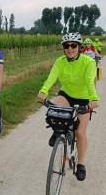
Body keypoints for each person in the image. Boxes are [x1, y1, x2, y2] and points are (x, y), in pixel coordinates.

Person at [37, 33, 99, 181]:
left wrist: (93, 99)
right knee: (54, 110)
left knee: (80, 132)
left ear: (79, 47)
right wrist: (43, 91)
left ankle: (81, 164)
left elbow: (90, 82)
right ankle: (58, 132)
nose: (70, 49)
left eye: (73, 45)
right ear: (63, 48)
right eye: (66, 46)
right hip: (67, 94)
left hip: (84, 97)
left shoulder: (89, 62)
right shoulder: (60, 62)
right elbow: (51, 78)